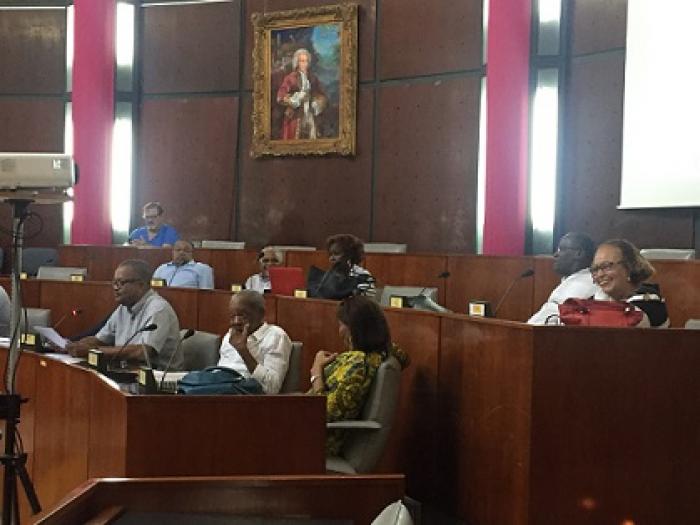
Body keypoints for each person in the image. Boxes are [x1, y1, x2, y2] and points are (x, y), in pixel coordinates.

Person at [309, 296, 408, 456]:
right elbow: (399, 353)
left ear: (353, 329)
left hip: (314, 441)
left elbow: (325, 413)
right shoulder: (377, 354)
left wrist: (316, 372)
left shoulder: (358, 364)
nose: (339, 331)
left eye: (341, 325)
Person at [66, 259, 183, 370]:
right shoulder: (123, 308)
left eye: (121, 283)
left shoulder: (158, 309)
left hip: (158, 377)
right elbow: (100, 339)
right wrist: (74, 346)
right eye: (114, 283)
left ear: (141, 285)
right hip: (127, 371)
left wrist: (93, 351)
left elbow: (142, 352)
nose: (115, 288)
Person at [217, 290, 292, 394]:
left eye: (243, 316)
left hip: (246, 395)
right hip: (219, 388)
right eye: (232, 316)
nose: (236, 322)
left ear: (261, 314)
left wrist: (243, 351)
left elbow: (271, 388)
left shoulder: (275, 336)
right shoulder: (230, 335)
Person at [590, 239, 669, 327]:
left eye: (606, 266)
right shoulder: (596, 299)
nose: (600, 274)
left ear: (628, 267)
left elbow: (624, 324)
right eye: (595, 269)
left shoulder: (649, 300)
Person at [528, 232, 598, 325]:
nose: (556, 254)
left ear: (579, 253)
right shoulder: (571, 279)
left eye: (562, 249)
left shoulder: (587, 283)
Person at [276, 48, 328, 140]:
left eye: (307, 61)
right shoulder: (290, 78)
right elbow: (280, 96)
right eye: (302, 61)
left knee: (312, 138)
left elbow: (321, 94)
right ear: (297, 62)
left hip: (310, 112)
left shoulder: (313, 78)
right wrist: (296, 98)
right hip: (295, 115)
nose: (305, 64)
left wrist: (317, 102)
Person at [323, 233, 376, 297]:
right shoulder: (329, 274)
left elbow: (367, 299)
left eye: (336, 254)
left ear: (349, 255)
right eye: (330, 254)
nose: (331, 258)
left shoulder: (362, 274)